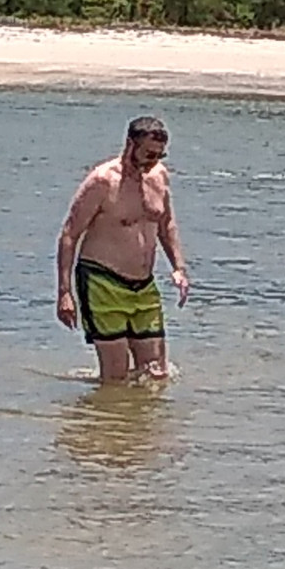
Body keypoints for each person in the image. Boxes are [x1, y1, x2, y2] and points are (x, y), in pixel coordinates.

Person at [56, 116, 190, 383]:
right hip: (102, 283)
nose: (154, 161)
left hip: (143, 286)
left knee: (156, 373)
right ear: (130, 144)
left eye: (160, 155)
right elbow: (70, 234)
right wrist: (64, 293)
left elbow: (166, 224)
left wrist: (179, 268)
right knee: (115, 379)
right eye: (149, 154)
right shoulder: (102, 181)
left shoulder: (159, 176)